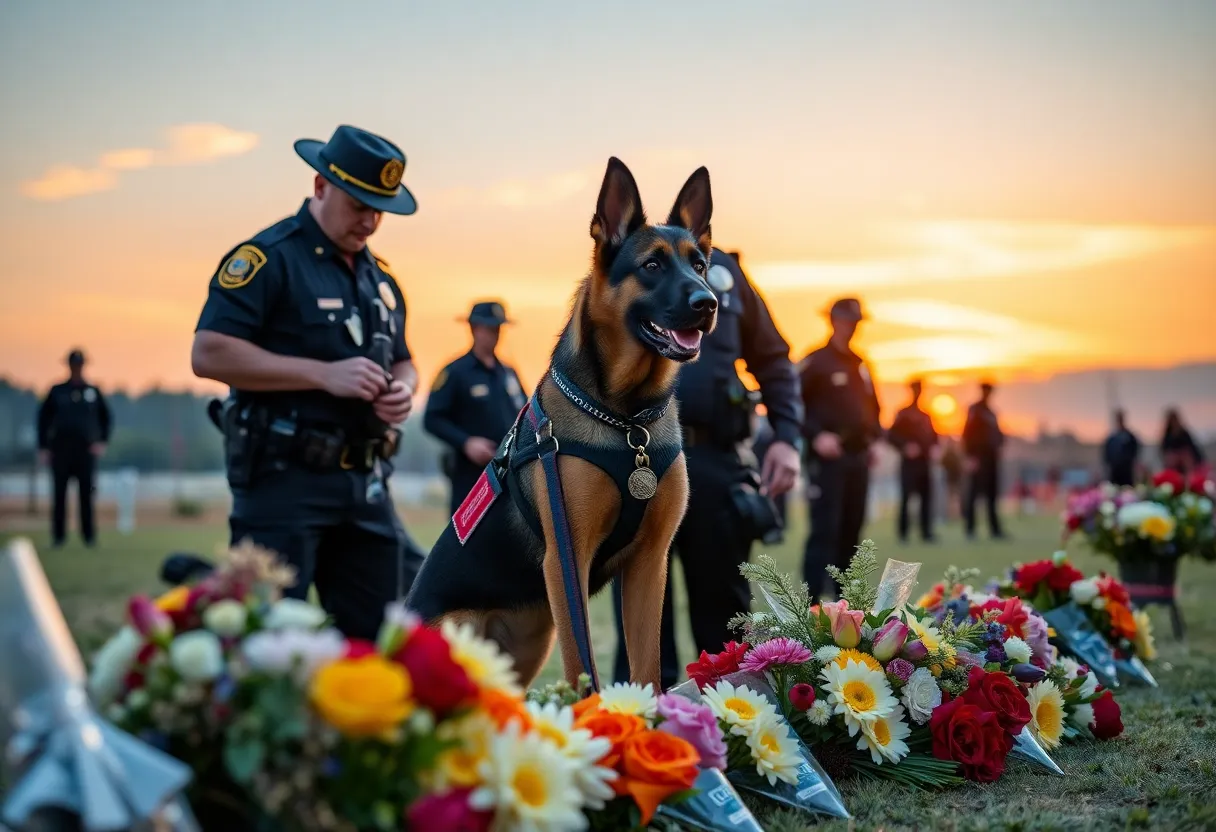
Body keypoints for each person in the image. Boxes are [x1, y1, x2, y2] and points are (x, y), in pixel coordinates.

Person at [190, 125, 425, 642]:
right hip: (283, 484)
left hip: (365, 486)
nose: (370, 221)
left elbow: (404, 360)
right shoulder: (268, 259)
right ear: (320, 186)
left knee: (385, 642)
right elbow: (209, 352)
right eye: (358, 205)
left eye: (379, 209)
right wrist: (322, 374)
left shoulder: (381, 279)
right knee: (267, 642)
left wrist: (403, 389)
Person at [611, 247, 803, 689]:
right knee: (641, 617)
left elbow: (773, 359)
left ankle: (735, 719)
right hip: (640, 461)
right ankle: (644, 721)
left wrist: (787, 438)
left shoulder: (727, 270)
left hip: (714, 462)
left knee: (725, 622)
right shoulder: (632, 263)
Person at [799, 297, 882, 599]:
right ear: (833, 321)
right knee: (825, 530)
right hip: (827, 460)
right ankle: (810, 602)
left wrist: (874, 439)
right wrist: (816, 436)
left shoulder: (860, 364)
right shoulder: (815, 362)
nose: (851, 327)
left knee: (852, 530)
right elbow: (792, 403)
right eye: (847, 321)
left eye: (856, 322)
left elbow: (873, 407)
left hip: (857, 459)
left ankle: (845, 603)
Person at [423, 301, 527, 516]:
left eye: (498, 329)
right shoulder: (456, 372)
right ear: (474, 328)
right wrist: (466, 442)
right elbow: (432, 419)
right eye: (489, 328)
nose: (495, 335)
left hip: (509, 476)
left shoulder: (508, 373)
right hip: (471, 478)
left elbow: (525, 415)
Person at [36, 349, 111, 548]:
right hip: (60, 450)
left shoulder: (92, 391)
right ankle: (58, 537)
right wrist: (43, 447)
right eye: (74, 364)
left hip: (85, 451)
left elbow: (106, 418)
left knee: (87, 494)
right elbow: (43, 419)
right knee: (59, 495)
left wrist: (102, 441)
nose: (76, 368)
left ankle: (89, 536)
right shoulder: (57, 391)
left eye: (79, 364)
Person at [887, 379, 938, 543]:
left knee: (926, 498)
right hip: (909, 464)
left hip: (924, 463)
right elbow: (891, 436)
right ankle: (903, 533)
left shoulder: (926, 416)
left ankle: (926, 532)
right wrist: (905, 447)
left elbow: (934, 437)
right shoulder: (903, 414)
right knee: (906, 498)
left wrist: (934, 448)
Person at [962, 381, 1007, 540]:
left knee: (992, 496)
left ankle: (995, 530)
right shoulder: (975, 410)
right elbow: (967, 434)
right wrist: (970, 456)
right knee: (973, 495)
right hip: (978, 458)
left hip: (991, 459)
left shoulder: (991, 412)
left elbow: (998, 434)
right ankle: (970, 529)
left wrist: (1000, 444)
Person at [1160, 407, 1205, 476]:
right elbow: (1164, 449)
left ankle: (1189, 476)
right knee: (1171, 458)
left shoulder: (1184, 433)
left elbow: (1191, 447)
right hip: (1173, 459)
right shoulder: (1167, 435)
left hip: (1185, 458)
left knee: (1186, 458)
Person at [1102, 409, 1140, 486]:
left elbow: (1135, 451)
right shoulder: (1112, 437)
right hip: (1114, 471)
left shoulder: (1129, 436)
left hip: (1127, 472)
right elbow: (1106, 454)